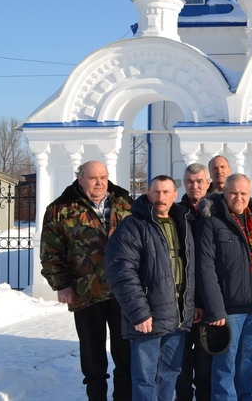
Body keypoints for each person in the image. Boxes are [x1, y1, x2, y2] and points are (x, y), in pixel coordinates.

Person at [39, 160, 133, 401]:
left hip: (123, 292)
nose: (100, 182)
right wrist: (62, 284)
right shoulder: (60, 209)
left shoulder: (125, 204)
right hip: (85, 293)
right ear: (80, 179)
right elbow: (51, 252)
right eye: (93, 178)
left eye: (103, 176)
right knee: (93, 356)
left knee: (126, 354)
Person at [106, 175, 196, 401]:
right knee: (145, 378)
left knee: (171, 372)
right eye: (156, 192)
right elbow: (121, 271)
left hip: (178, 315)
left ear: (175, 195)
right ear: (147, 193)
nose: (161, 197)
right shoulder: (133, 226)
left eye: (166, 192)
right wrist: (139, 312)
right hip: (149, 316)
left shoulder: (183, 222)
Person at [196, 173, 252, 401]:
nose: (239, 197)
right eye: (234, 193)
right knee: (225, 363)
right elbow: (205, 269)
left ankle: (244, 397)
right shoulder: (211, 222)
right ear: (224, 193)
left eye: (243, 193)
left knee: (248, 360)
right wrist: (216, 309)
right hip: (228, 308)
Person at [176, 163, 213, 401]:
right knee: (180, 355)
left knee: (206, 354)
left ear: (208, 183)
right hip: (180, 297)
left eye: (199, 181)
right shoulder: (175, 213)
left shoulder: (217, 212)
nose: (195, 186)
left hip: (209, 296)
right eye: (190, 181)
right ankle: (183, 397)